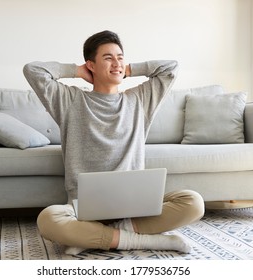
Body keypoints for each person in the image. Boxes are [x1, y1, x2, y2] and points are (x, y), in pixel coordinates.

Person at [23, 30, 204, 255]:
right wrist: (77, 71)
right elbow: (33, 70)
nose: (116, 63)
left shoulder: (139, 100)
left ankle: (99, 236)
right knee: (48, 220)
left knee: (193, 202)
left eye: (120, 57)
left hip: (135, 207)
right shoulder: (70, 100)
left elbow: (170, 68)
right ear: (91, 65)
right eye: (108, 58)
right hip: (84, 209)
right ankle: (146, 240)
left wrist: (128, 70)